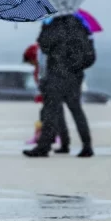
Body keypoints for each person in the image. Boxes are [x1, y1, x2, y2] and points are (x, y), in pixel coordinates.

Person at [23, 14, 95, 158]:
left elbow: (44, 45)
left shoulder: (53, 25)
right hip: (75, 76)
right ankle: (87, 146)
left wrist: (45, 28)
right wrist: (75, 68)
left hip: (56, 75)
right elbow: (90, 57)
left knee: (51, 111)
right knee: (76, 111)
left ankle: (44, 147)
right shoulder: (81, 26)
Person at [22, 43, 66, 149]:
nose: (31, 64)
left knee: (53, 114)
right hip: (46, 91)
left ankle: (54, 136)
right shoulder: (38, 68)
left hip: (53, 90)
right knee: (45, 114)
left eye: (30, 61)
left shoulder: (47, 59)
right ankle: (42, 135)